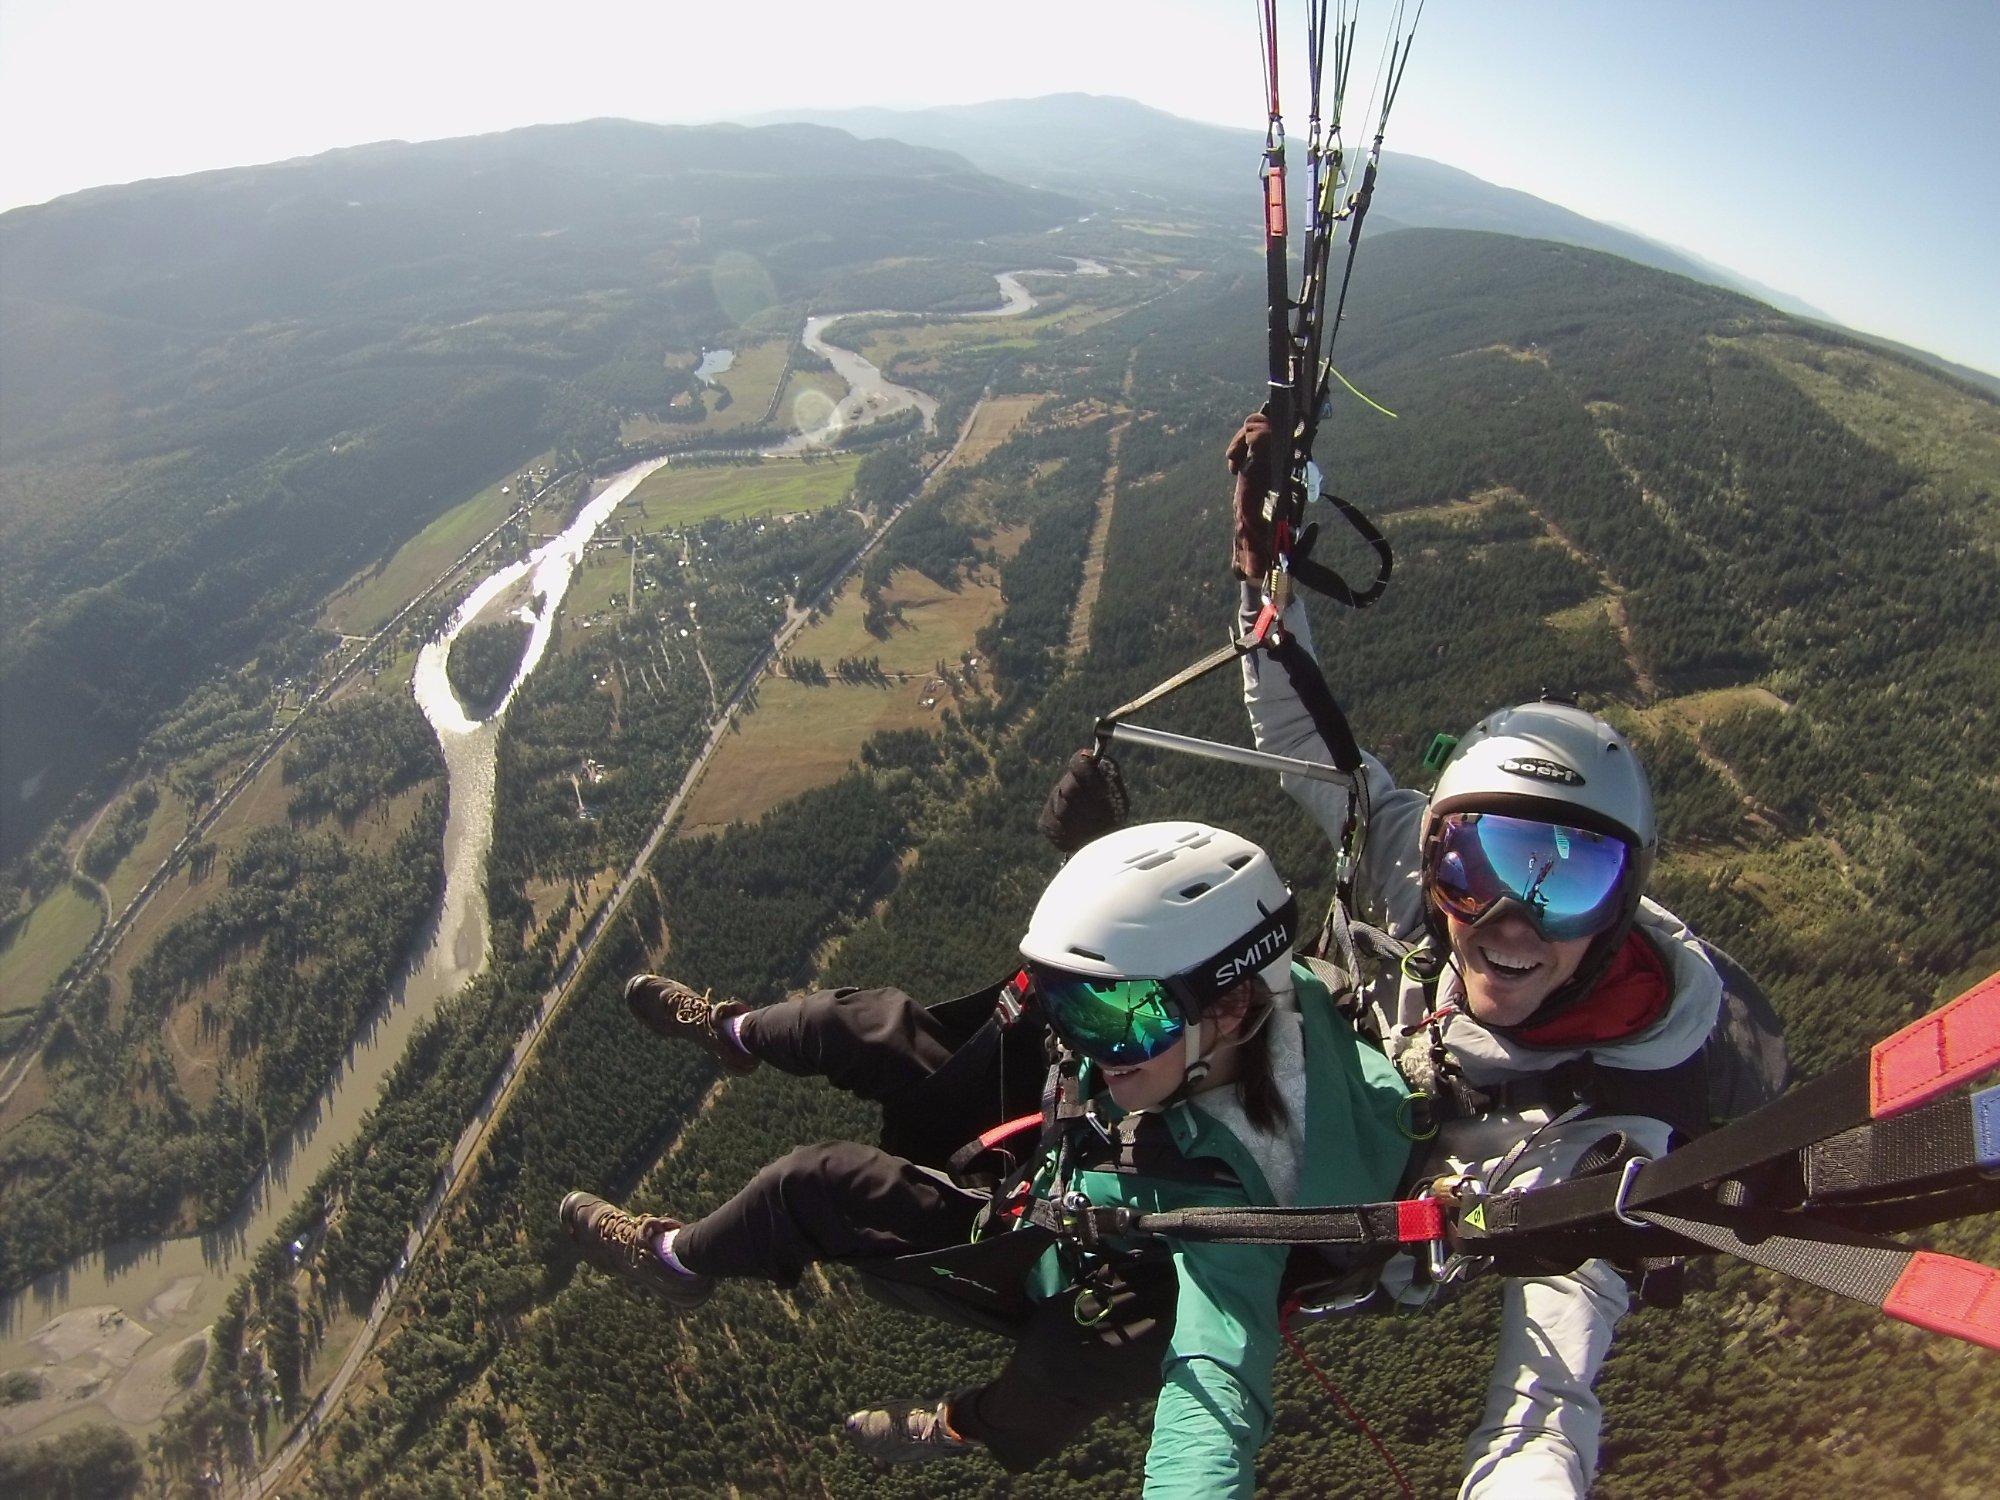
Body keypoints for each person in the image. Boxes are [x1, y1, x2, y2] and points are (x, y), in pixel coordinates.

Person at [559, 821, 1412, 1496]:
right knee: (860, 1023)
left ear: (1231, 1012)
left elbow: (1216, 1390)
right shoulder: (1223, 1022)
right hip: (1062, 1140)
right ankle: (733, 1032)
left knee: (815, 1186)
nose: (1084, 1037)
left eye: (1115, 1015)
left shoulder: (1242, 1197)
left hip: (1046, 1244)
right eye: (1071, 1004)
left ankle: (676, 1262)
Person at [1223, 413, 1728, 1497]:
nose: (1503, 921)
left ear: (1622, 907)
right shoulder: (1414, 868)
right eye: (1470, 865)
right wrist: (1262, 572)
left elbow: (1545, 1400)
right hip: (1339, 1079)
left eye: (1563, 882)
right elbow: (1307, 747)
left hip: (1377, 1186)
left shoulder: (1605, 1131)